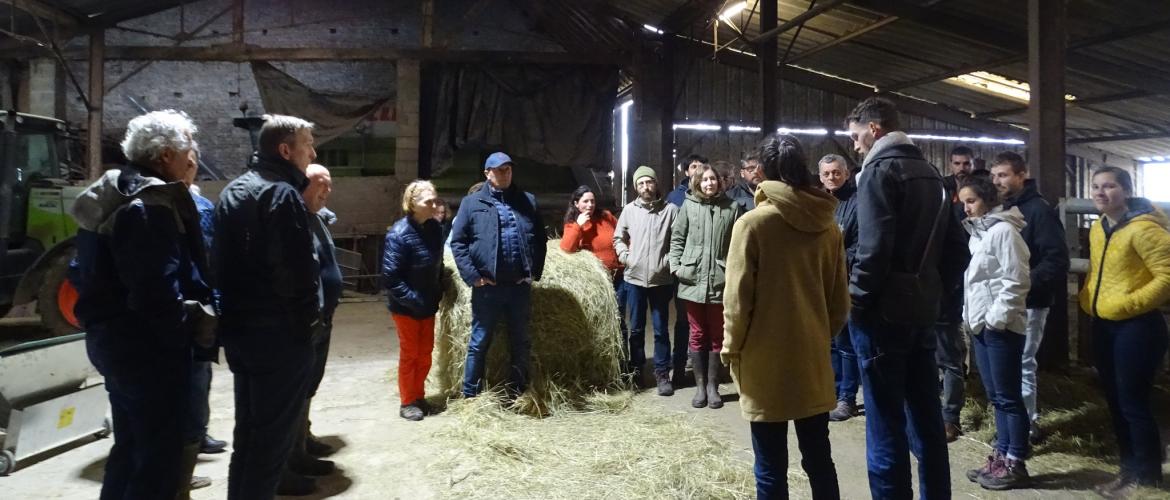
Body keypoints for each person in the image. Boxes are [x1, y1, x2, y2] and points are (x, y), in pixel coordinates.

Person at [69, 110, 215, 500]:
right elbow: (155, 292)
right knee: (158, 460)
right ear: (166, 154)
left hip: (113, 341)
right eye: (189, 148)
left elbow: (79, 270)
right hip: (148, 352)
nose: (193, 157)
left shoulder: (113, 190)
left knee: (131, 446)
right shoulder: (149, 203)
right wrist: (183, 337)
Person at [846, 97, 960, 499]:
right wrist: (932, 292)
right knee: (927, 418)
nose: (856, 145)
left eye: (857, 136)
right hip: (921, 313)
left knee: (884, 423)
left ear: (874, 128)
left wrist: (855, 302)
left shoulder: (878, 171)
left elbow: (873, 252)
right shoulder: (931, 173)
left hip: (883, 316)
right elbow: (958, 249)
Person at [722, 134, 847, 500]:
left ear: (762, 171)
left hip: (764, 361)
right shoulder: (829, 226)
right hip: (811, 358)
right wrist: (817, 333)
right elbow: (840, 304)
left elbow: (737, 302)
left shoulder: (753, 224)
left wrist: (732, 349)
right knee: (820, 459)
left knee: (770, 466)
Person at [215, 114, 323, 499]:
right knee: (271, 442)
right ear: (285, 150)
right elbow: (295, 274)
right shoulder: (281, 195)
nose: (312, 152)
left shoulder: (234, 190)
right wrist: (305, 328)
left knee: (248, 432)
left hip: (242, 332)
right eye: (308, 145)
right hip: (277, 337)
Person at [1080, 166, 1170, 497]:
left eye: (1110, 186)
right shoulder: (1100, 228)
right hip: (1105, 324)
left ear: (1127, 191)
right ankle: (1128, 470)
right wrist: (1089, 298)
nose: (1101, 192)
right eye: (1096, 186)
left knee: (1133, 402)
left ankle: (1146, 478)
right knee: (1116, 401)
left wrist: (1131, 304)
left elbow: (1167, 275)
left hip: (1138, 327)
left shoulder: (1145, 230)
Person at [956, 176, 1032, 490]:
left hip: (1001, 328)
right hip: (983, 326)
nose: (967, 208)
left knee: (1008, 397)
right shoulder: (981, 233)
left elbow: (1016, 279)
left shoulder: (1004, 232)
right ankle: (1000, 456)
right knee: (996, 397)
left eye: (971, 201)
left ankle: (1015, 461)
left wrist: (996, 318)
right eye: (963, 203)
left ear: (987, 198)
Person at [450, 152, 548, 398]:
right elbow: (458, 243)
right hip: (487, 288)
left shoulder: (527, 201)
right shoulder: (471, 204)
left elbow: (540, 240)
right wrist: (473, 276)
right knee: (479, 341)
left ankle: (518, 391)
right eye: (499, 170)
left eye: (508, 169)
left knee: (520, 340)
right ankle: (471, 395)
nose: (504, 174)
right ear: (487, 173)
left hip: (518, 287)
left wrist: (533, 272)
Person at [989, 151, 1070, 444]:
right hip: (1003, 299)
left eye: (1004, 175)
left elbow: (1056, 259)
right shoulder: (1001, 208)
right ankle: (1012, 426)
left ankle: (1028, 424)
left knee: (1023, 362)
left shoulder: (1038, 210)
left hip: (1030, 301)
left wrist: (1022, 283)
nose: (998, 181)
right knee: (1008, 364)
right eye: (995, 175)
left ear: (1022, 175)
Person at [280, 164, 341, 483]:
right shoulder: (293, 222)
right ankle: (291, 458)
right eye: (321, 186)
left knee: (308, 388)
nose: (327, 192)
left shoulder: (317, 218)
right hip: (305, 322)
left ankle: (302, 442)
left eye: (329, 186)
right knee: (296, 389)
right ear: (301, 187)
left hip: (323, 320)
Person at [669, 163, 742, 409]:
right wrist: (677, 267)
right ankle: (700, 386)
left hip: (720, 280)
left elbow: (737, 244)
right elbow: (677, 238)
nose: (709, 183)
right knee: (697, 333)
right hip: (692, 279)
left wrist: (733, 273)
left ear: (720, 182)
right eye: (705, 180)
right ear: (697, 183)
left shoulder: (732, 208)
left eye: (713, 179)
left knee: (717, 335)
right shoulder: (688, 206)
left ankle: (713, 386)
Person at [614, 166, 679, 395]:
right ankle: (637, 370)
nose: (645, 187)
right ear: (635, 187)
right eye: (640, 184)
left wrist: (668, 262)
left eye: (649, 182)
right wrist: (625, 257)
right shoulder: (629, 211)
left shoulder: (670, 211)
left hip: (661, 280)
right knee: (636, 329)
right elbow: (618, 237)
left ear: (656, 184)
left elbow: (678, 241)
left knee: (661, 329)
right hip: (634, 279)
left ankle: (662, 373)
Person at [383, 180, 444, 419]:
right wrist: (413, 299)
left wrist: (438, 289)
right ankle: (407, 401)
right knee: (410, 353)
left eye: (435, 200)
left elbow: (437, 264)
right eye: (428, 201)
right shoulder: (399, 234)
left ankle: (419, 395)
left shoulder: (434, 229)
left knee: (426, 352)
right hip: (406, 307)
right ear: (412, 204)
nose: (434, 205)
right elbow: (391, 277)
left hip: (428, 302)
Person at [560, 185, 627, 363]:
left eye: (592, 201)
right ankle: (604, 363)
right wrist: (578, 226)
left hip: (618, 277)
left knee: (620, 321)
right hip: (597, 284)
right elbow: (566, 248)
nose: (590, 205)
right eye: (585, 201)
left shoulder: (606, 217)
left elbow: (622, 235)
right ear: (576, 203)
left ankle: (624, 364)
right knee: (602, 323)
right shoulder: (572, 223)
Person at [819, 154, 861, 422]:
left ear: (846, 174)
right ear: (820, 176)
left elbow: (859, 244)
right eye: (827, 174)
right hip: (821, 282)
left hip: (845, 282)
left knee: (846, 343)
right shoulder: (820, 203)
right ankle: (831, 392)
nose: (832, 177)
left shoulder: (857, 204)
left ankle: (847, 397)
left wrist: (841, 262)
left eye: (836, 173)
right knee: (829, 341)